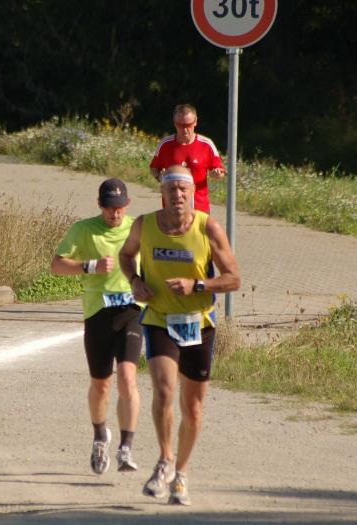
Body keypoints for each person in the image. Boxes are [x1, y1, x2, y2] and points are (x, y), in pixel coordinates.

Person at [119, 165, 241, 505]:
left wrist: (197, 285)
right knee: (163, 390)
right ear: (162, 193)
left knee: (194, 408)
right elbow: (126, 255)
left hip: (198, 323)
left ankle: (182, 474)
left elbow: (234, 278)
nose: (178, 195)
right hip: (159, 319)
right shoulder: (144, 225)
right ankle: (165, 460)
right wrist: (135, 281)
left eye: (184, 189)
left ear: (192, 193)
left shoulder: (208, 227)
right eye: (172, 189)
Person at [50, 178, 143, 475]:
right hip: (98, 313)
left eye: (119, 207)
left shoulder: (139, 228)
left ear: (127, 205)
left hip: (131, 311)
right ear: (100, 205)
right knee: (101, 385)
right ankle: (101, 436)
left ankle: (126, 447)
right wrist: (89, 266)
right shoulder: (84, 229)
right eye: (109, 207)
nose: (115, 213)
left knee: (127, 378)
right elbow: (56, 264)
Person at [150, 104, 226, 213]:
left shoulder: (206, 144)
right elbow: (154, 168)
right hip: (172, 210)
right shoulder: (165, 145)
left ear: (195, 122)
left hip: (199, 210)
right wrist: (159, 176)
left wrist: (217, 174)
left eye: (188, 125)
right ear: (174, 123)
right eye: (180, 125)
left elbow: (220, 171)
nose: (184, 129)